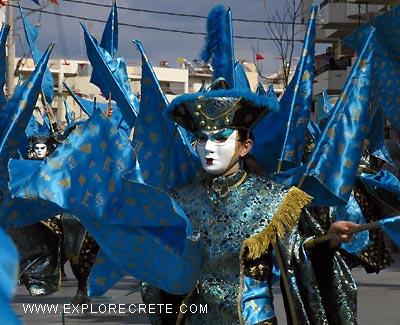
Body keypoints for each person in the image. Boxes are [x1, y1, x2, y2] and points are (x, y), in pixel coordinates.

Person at [141, 78, 359, 324]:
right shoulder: (178, 200)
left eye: (221, 138)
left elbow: (298, 259)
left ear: (245, 147)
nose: (209, 148)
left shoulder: (274, 199)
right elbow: (158, 272)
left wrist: (326, 241)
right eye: (202, 139)